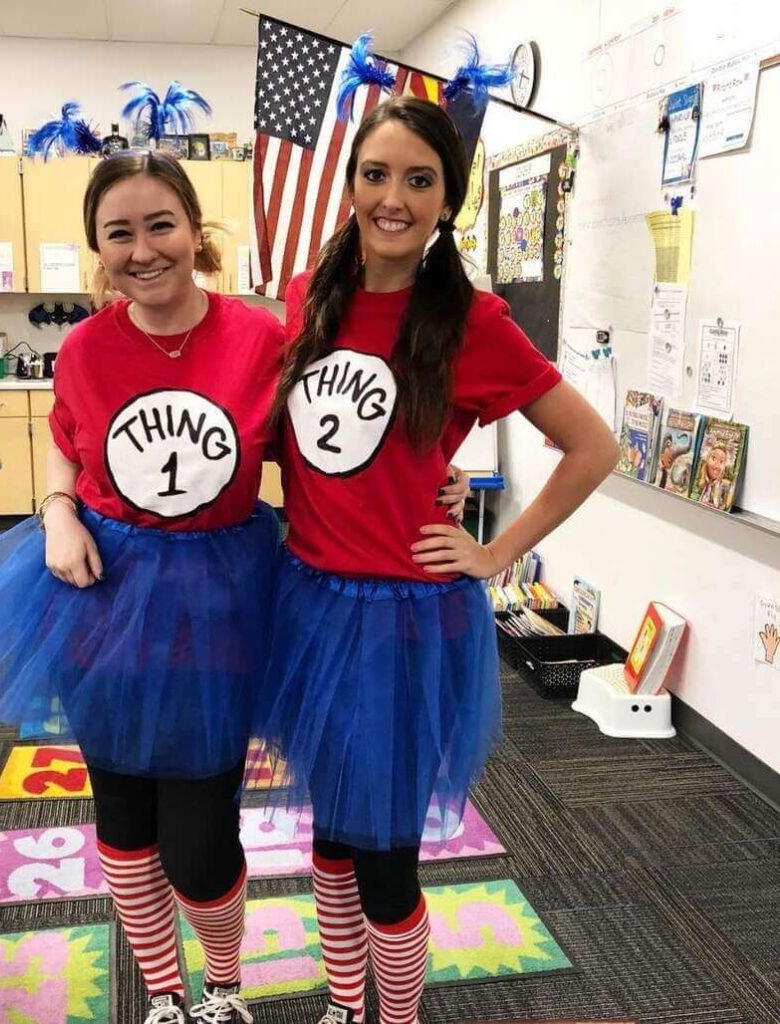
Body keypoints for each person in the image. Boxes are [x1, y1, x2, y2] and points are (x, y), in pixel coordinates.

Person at [254, 97, 619, 1024]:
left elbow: (592, 448)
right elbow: (303, 440)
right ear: (348, 186)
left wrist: (494, 549)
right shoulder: (307, 299)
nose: (395, 197)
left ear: (447, 201)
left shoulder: (474, 321)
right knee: (331, 840)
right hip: (307, 602)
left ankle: (399, 1014)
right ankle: (347, 1004)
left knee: (384, 857)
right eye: (377, 173)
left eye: (421, 180)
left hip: (406, 619)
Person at [0, 151, 283, 1024]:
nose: (143, 250)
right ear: (97, 246)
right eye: (118, 233)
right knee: (125, 818)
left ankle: (225, 983)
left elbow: (315, 451)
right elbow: (68, 435)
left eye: (159, 225)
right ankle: (167, 993)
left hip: (218, 601)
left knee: (202, 839)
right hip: (105, 594)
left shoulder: (260, 340)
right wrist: (57, 507)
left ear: (195, 233)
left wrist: (427, 479)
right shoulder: (89, 345)